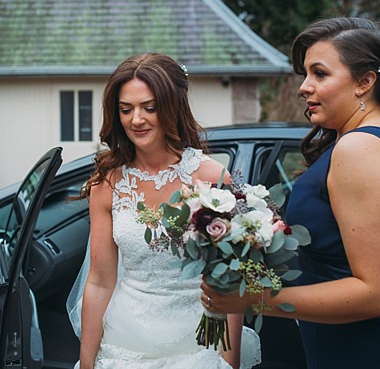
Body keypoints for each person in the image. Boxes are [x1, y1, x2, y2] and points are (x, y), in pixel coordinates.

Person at [201, 17, 380, 368]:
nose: (304, 87)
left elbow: (379, 294)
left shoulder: (360, 149)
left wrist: (253, 300)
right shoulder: (375, 136)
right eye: (305, 75)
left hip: (371, 349)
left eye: (320, 73)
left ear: (365, 81)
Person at [70, 53, 258, 368]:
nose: (136, 119)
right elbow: (100, 280)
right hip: (125, 344)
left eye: (150, 107)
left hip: (199, 342)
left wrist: (228, 361)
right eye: (126, 109)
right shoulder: (107, 184)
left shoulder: (212, 178)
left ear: (172, 107)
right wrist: (87, 363)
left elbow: (229, 281)